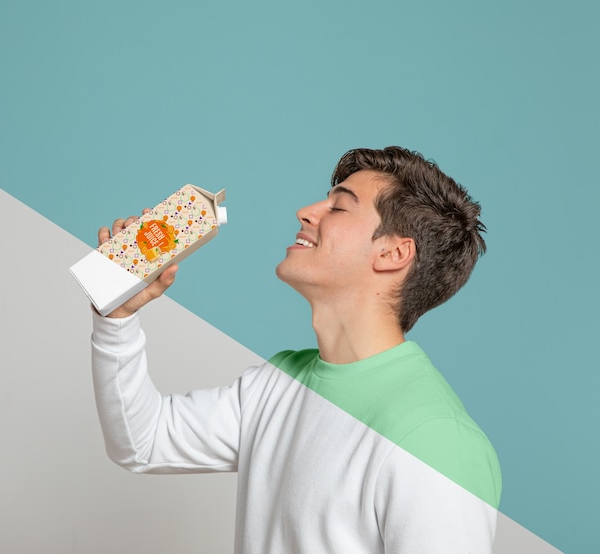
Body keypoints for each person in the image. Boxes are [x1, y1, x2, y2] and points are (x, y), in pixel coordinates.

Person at [91, 146, 502, 553]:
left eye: (339, 207)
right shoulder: (280, 381)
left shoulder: (438, 440)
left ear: (393, 253)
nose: (306, 212)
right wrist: (117, 318)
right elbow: (141, 442)